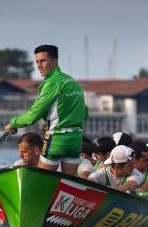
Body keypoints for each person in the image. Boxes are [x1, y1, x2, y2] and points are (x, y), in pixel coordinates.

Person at [5, 45, 88, 175]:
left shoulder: (52, 82)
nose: (39, 65)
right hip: (75, 140)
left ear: (55, 61)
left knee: (41, 180)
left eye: (43, 61)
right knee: (67, 184)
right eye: (37, 62)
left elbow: (33, 115)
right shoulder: (73, 82)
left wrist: (14, 123)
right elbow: (85, 113)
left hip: (57, 139)